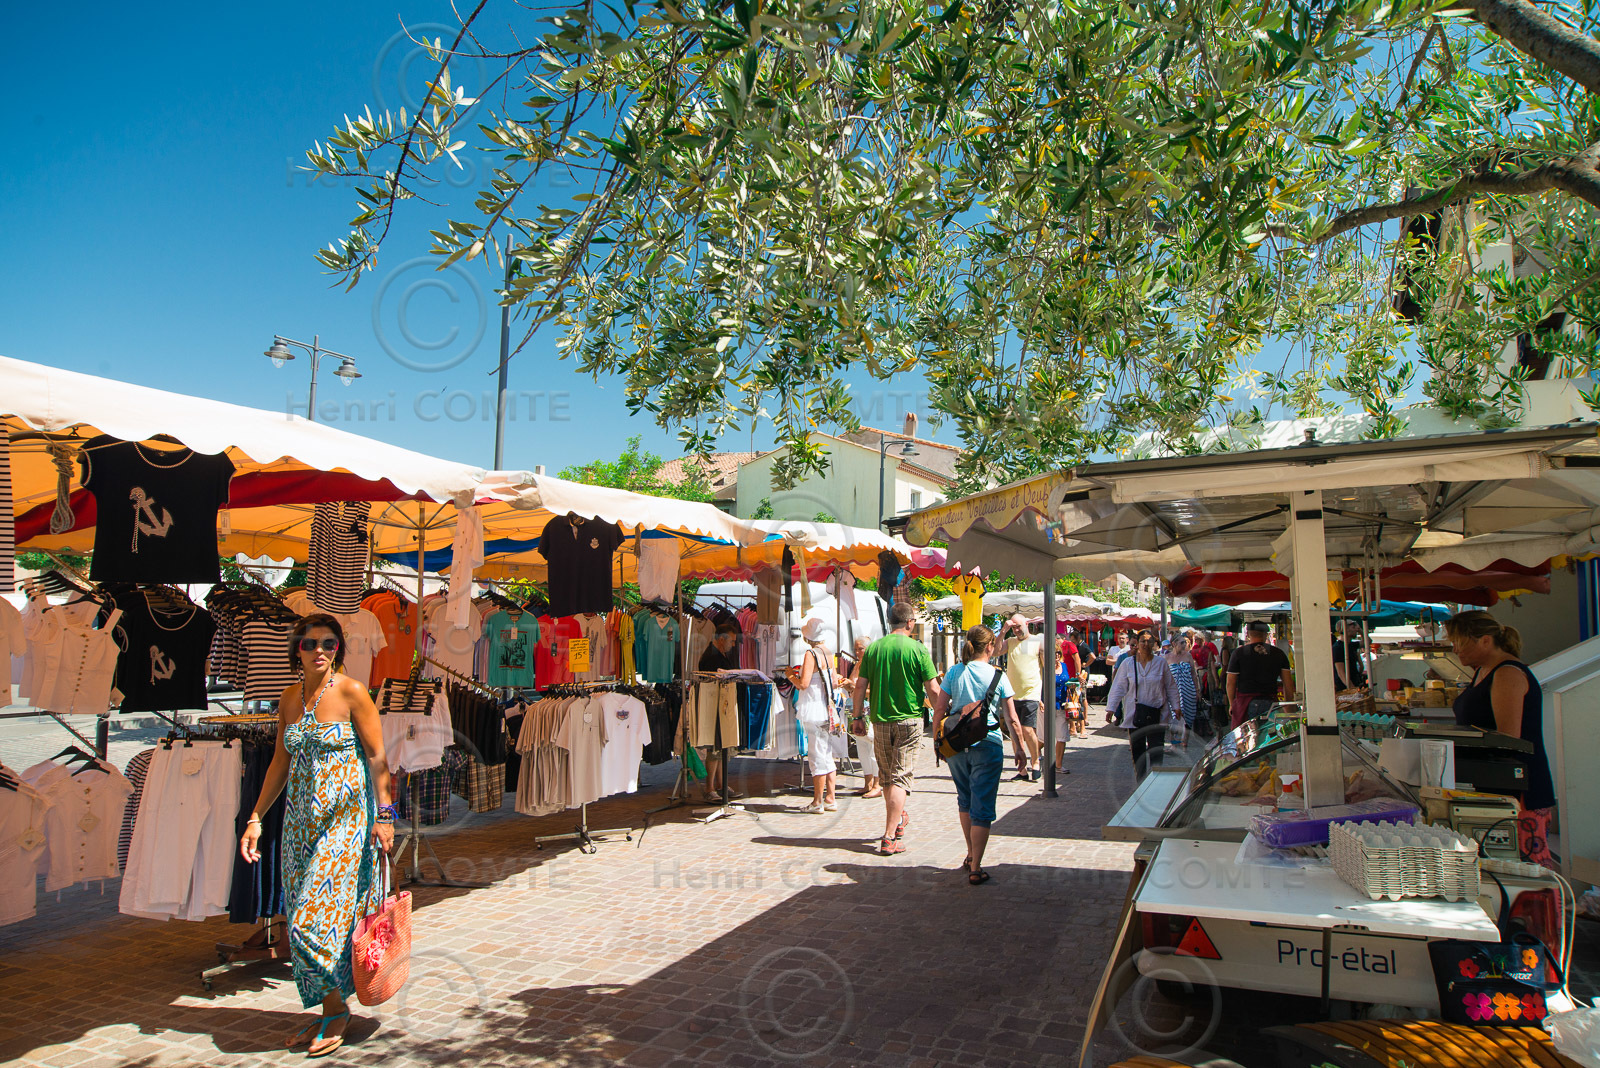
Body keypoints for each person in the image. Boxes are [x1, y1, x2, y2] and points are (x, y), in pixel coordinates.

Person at [239, 614, 394, 1058]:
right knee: (308, 919)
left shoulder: (352, 691)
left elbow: (377, 756)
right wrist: (255, 818)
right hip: (298, 825)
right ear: (297, 650)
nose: (320, 650)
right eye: (310, 644)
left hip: (346, 821)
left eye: (329, 643)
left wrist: (385, 815)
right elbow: (279, 762)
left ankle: (337, 1009)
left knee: (310, 921)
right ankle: (331, 1007)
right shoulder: (290, 698)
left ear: (339, 649)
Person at [1446, 611, 1557, 865]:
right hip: (1493, 785)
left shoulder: (1507, 673)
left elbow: (1507, 739)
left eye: (1459, 642)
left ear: (1485, 640)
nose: (1455, 650)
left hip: (1518, 789)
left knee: (1524, 865)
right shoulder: (1482, 671)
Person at [934, 625, 1023, 885]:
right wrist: (1019, 748)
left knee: (965, 799)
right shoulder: (998, 675)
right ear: (990, 647)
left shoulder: (955, 671)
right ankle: (976, 867)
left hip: (956, 744)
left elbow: (939, 708)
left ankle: (971, 853)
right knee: (982, 805)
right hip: (988, 742)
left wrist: (937, 741)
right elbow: (1012, 718)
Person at [853, 602, 941, 856]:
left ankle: (898, 817)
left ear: (890, 621)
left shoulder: (874, 649)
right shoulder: (917, 649)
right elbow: (933, 689)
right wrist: (941, 718)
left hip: (880, 720)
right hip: (909, 721)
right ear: (910, 622)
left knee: (887, 777)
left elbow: (860, 685)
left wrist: (857, 716)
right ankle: (889, 836)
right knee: (900, 777)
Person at [1106, 629, 1179, 779]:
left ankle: (1155, 782)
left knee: (1156, 751)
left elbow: (1170, 686)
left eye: (1149, 641)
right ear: (1137, 644)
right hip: (1135, 715)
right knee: (1138, 752)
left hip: (1157, 713)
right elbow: (1118, 687)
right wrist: (1111, 708)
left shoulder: (1161, 663)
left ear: (1154, 643)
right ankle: (1141, 781)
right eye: (1142, 641)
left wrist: (1176, 706)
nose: (1146, 644)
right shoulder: (1128, 664)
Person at [791, 617, 844, 813]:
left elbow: (803, 684)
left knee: (816, 755)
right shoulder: (828, 652)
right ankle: (830, 798)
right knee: (826, 753)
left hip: (813, 708)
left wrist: (790, 675)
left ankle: (817, 801)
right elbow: (835, 682)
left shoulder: (810, 653)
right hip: (826, 708)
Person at [697, 621, 741, 798]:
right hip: (714, 705)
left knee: (722, 747)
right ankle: (710, 788)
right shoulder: (711, 656)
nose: (733, 645)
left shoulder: (719, 653)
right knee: (714, 748)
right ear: (721, 640)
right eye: (731, 641)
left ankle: (721, 784)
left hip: (722, 704)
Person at [1225, 620, 1295, 729]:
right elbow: (1288, 683)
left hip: (1246, 704)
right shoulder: (1278, 653)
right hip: (1271, 703)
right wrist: (1288, 704)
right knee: (1269, 736)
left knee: (1249, 737)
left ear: (1248, 634)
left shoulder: (1238, 653)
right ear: (1265, 634)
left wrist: (1231, 703)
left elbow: (1230, 682)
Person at [1002, 614, 1045, 782]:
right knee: (1015, 732)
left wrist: (1043, 696)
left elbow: (1046, 667)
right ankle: (1022, 769)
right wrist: (1003, 631)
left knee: (1027, 730)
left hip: (1031, 693)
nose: (1016, 630)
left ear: (1027, 624)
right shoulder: (1010, 642)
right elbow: (994, 652)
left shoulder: (1037, 641)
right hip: (1012, 694)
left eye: (1018, 626)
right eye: (1013, 627)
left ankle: (1035, 762)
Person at [843, 636, 881, 798]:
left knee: (872, 747)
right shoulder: (857, 665)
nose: (857, 652)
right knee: (861, 746)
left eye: (861, 649)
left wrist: (855, 687)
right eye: (856, 649)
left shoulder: (873, 665)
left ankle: (877, 784)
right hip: (857, 709)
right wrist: (848, 685)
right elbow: (853, 687)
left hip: (870, 709)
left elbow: (876, 691)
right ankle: (868, 782)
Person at [1165, 634, 1199, 746]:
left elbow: (1193, 674)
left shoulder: (1188, 656)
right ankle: (1173, 741)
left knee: (1188, 716)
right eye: (1182, 642)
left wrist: (1197, 690)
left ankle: (1185, 741)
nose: (1184, 644)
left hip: (1188, 689)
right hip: (1174, 692)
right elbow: (1164, 677)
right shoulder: (1167, 657)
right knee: (1174, 717)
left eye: (1185, 642)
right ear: (1174, 644)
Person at [1332, 620, 1368, 689]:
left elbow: (1368, 642)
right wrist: (1352, 689)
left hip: (1354, 685)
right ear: (1345, 629)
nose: (1356, 629)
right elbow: (1341, 672)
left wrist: (1360, 631)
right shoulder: (1337, 648)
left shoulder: (1351, 645)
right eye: (1353, 627)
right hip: (1344, 688)